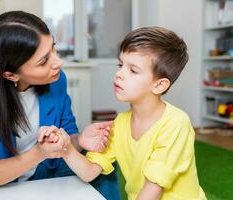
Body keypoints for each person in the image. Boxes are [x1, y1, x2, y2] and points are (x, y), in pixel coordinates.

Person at [0, 11, 120, 200]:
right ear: (10, 75)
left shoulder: (57, 80)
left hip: (44, 176)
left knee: (106, 167)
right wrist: (38, 153)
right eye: (43, 61)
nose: (58, 62)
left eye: (53, 48)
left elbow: (66, 134)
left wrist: (79, 139)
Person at [51, 27, 207, 199]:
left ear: (159, 85)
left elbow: (152, 190)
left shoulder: (176, 123)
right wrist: (65, 148)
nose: (119, 74)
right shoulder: (120, 123)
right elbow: (89, 172)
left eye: (133, 70)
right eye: (120, 65)